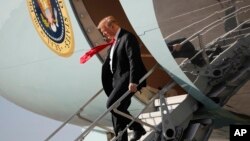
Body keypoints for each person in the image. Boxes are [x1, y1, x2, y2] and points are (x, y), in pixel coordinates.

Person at [97, 16, 147, 141]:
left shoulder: (127, 37)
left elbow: (133, 60)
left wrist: (133, 80)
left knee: (112, 105)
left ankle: (137, 127)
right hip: (116, 81)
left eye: (104, 31)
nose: (104, 34)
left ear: (112, 26)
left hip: (126, 78)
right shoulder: (114, 43)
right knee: (118, 115)